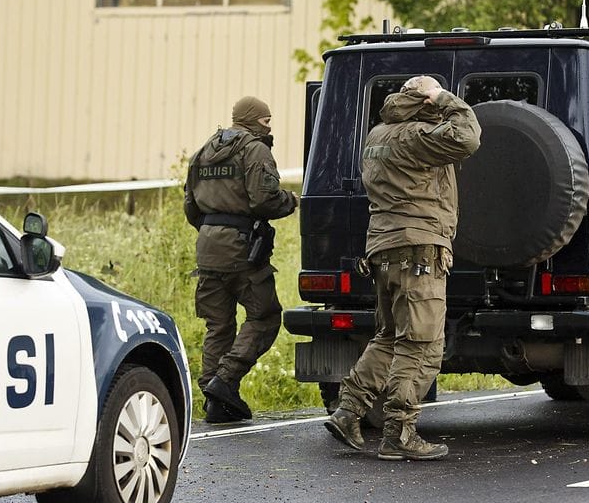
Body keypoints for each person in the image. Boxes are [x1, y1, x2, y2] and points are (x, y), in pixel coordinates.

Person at [324, 76, 481, 460]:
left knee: (389, 336)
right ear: (425, 102)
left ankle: (349, 411)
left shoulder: (377, 135)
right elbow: (468, 135)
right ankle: (399, 432)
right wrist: (443, 97)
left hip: (384, 248)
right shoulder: (416, 137)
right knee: (423, 343)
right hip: (420, 248)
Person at [184, 95, 298, 424]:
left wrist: (212, 229)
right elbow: (265, 200)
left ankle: (214, 398)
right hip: (243, 248)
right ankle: (226, 380)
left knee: (218, 325)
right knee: (264, 316)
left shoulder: (203, 151)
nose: (269, 125)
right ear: (251, 119)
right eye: (266, 120)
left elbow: (190, 207)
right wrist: (289, 201)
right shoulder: (255, 149)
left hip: (206, 249)